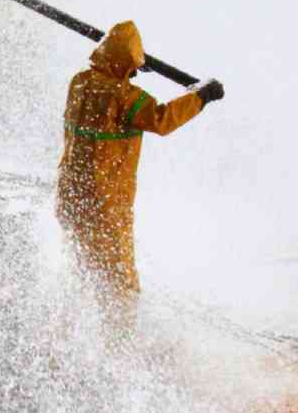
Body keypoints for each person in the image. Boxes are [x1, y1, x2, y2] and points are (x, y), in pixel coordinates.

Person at [55, 20, 224, 332]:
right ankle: (120, 346)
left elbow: (104, 86)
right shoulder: (126, 98)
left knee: (84, 269)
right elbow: (162, 120)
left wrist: (130, 67)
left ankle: (73, 333)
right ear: (128, 62)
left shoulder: (78, 82)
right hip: (105, 205)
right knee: (120, 283)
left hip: (70, 197)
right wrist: (201, 96)